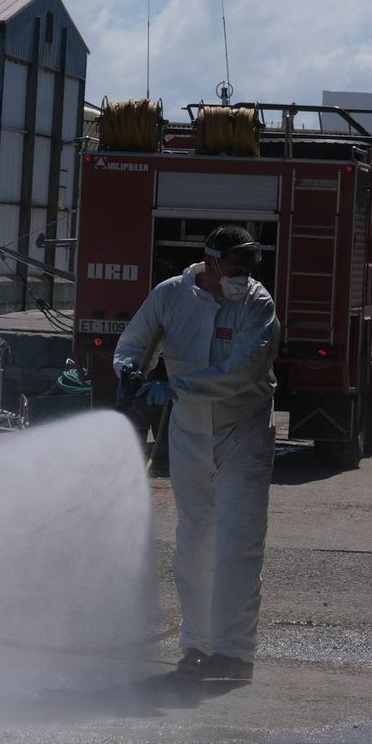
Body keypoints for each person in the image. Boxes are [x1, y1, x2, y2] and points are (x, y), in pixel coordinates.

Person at [113, 224, 280, 681]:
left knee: (238, 542)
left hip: (243, 430)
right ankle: (197, 646)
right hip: (189, 432)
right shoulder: (171, 295)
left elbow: (242, 371)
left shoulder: (257, 304)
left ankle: (234, 654)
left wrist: (177, 386)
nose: (242, 276)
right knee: (194, 542)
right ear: (209, 263)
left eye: (248, 267)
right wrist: (129, 369)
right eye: (234, 267)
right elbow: (132, 341)